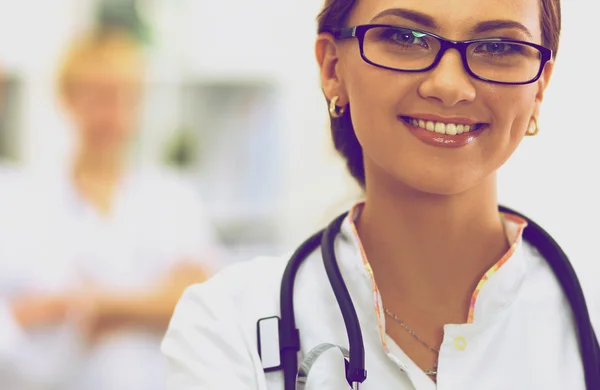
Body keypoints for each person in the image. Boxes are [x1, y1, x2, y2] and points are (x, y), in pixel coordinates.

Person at [161, 0, 598, 389]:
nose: (449, 86)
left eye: (499, 47)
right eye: (404, 37)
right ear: (333, 69)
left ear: (540, 87)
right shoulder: (227, 326)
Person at [0, 29, 221, 390]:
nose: (114, 115)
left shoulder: (172, 197)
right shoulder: (20, 201)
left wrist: (97, 304)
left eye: (127, 98)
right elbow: (15, 316)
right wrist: (146, 305)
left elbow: (195, 300)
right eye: (100, 97)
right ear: (67, 98)